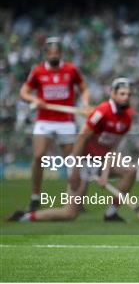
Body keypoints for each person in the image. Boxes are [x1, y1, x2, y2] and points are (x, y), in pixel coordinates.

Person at [9, 78, 136, 222]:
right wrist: (75, 170)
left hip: (100, 162)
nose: (126, 98)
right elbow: (81, 139)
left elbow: (112, 148)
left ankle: (111, 213)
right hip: (82, 162)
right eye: (122, 94)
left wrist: (105, 175)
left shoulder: (127, 119)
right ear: (113, 94)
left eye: (129, 95)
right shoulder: (102, 112)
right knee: (69, 214)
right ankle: (25, 217)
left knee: (130, 170)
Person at [19, 37, 90, 211]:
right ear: (45, 54)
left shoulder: (71, 69)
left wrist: (85, 104)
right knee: (38, 156)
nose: (53, 55)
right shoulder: (37, 72)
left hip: (66, 121)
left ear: (61, 53)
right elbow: (24, 92)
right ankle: (35, 197)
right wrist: (35, 99)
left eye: (56, 52)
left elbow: (84, 89)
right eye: (50, 52)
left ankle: (75, 199)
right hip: (44, 121)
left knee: (72, 162)